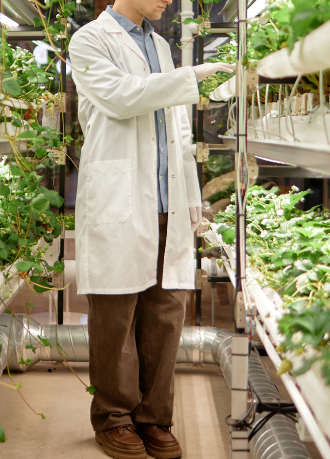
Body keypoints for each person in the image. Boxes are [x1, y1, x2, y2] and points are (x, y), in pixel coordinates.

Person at [68, 1, 233, 458]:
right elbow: (122, 97)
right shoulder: (89, 40)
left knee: (166, 312)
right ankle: (114, 419)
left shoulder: (159, 44)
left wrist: (194, 194)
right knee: (117, 315)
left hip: (168, 200)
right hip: (122, 197)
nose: (167, 0)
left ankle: (155, 418)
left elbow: (177, 127)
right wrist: (192, 77)